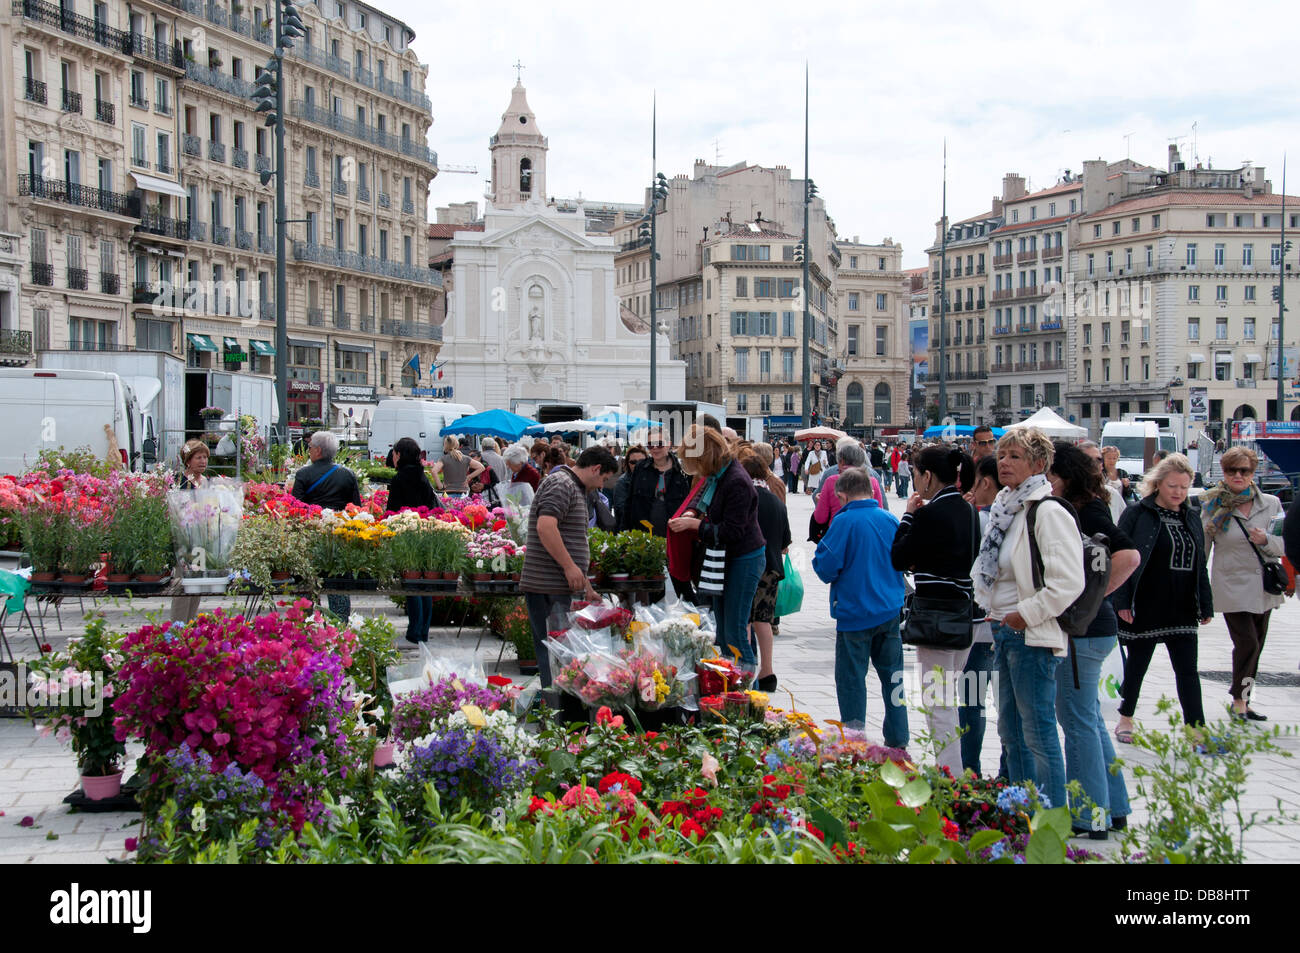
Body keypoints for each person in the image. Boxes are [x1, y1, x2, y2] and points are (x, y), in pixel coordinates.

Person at [971, 427, 1083, 812]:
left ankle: (1051, 820)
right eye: (1002, 455)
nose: (1004, 462)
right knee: (1011, 733)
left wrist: (1025, 615)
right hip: (1002, 628)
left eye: (1015, 456)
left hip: (1030, 635)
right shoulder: (1006, 506)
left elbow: (1069, 581)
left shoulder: (1046, 511)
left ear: (1038, 464)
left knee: (1037, 733)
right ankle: (1021, 814)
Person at [1047, 441, 1140, 837]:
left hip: (1085, 631)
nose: (1047, 482)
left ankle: (1090, 814)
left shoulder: (1086, 508)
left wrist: (1091, 597)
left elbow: (1128, 556)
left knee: (1077, 721)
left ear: (1063, 475)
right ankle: (1114, 806)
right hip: (1093, 630)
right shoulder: (1083, 505)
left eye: (1050, 474)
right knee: (1088, 721)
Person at [1112, 453, 1212, 740]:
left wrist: (1205, 603)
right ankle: (1125, 719)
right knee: (1137, 666)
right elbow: (1120, 557)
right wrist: (1122, 600)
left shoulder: (1192, 518)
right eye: (1172, 486)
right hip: (1145, 603)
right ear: (1158, 484)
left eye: (1183, 487)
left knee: (1188, 671)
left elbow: (1200, 566)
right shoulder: (1137, 514)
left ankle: (1196, 730)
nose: (1178, 493)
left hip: (1181, 604)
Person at [891, 445, 977, 774]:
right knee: (947, 698)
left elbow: (898, 557)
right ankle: (952, 771)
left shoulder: (930, 514)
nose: (913, 479)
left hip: (935, 616)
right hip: (962, 612)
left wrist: (909, 515)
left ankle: (950, 777)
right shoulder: (967, 509)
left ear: (928, 476)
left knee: (938, 704)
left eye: (915, 473)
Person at [812, 467, 908, 747]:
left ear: (841, 496)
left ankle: (855, 741)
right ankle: (899, 739)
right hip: (889, 610)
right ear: (873, 491)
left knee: (852, 681)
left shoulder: (843, 522)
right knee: (894, 679)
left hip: (855, 614)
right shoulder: (889, 519)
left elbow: (825, 568)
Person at [668, 425, 766, 674]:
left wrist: (694, 524)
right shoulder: (719, 476)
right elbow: (705, 505)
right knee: (722, 629)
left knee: (735, 629)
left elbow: (732, 532)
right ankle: (728, 680)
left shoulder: (735, 481)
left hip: (744, 558)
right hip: (728, 558)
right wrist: (694, 513)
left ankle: (744, 690)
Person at [521, 447, 617, 687]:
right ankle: (555, 712)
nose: (601, 486)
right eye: (603, 479)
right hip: (548, 584)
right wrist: (568, 567)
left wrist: (585, 585)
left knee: (562, 653)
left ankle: (559, 708)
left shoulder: (571, 485)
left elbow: (571, 538)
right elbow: (546, 527)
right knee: (554, 654)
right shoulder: (561, 484)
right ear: (595, 469)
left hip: (558, 584)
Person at [1200, 447, 1284, 721]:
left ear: (1253, 473)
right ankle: (1238, 699)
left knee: (1256, 646)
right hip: (1230, 586)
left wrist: (1267, 541)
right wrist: (1197, 590)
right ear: (1223, 473)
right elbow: (1203, 549)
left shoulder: (1271, 504)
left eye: (1244, 471)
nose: (1238, 475)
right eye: (1231, 470)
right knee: (1247, 643)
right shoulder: (1213, 505)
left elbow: (1284, 545)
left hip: (1263, 586)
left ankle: (1244, 701)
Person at [958, 454, 1002, 776]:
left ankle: (970, 767)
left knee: (972, 699)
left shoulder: (982, 518)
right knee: (1008, 707)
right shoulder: (1013, 515)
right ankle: (1007, 773)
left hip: (981, 623)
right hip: (1001, 623)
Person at [292, 430, 363, 620]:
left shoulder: (303, 474)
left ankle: (306, 624)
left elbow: (295, 508)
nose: (308, 451)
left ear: (318, 450)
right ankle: (339, 627)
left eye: (309, 447)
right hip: (338, 536)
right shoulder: (347, 474)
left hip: (311, 536)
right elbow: (356, 508)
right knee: (338, 583)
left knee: (306, 583)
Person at [739, 448, 791, 692]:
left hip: (748, 564)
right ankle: (767, 672)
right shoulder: (775, 501)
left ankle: (746, 669)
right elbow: (785, 542)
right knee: (764, 620)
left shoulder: (746, 499)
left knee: (745, 618)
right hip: (772, 568)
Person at [387, 437, 442, 644]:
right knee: (424, 581)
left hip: (406, 533)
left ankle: (414, 630)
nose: (392, 457)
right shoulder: (422, 476)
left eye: (394, 453)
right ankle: (423, 630)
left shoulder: (399, 478)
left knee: (411, 582)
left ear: (399, 455)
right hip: (425, 531)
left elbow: (392, 510)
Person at [170, 440, 211, 623]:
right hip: (184, 541)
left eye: (205, 457)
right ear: (188, 460)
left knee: (197, 584)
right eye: (198, 457)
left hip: (202, 541)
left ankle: (190, 623)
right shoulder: (180, 482)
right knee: (184, 583)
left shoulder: (206, 482)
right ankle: (178, 625)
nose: (203, 461)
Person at [618, 436, 690, 537]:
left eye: (660, 444)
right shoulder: (640, 468)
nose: (655, 447)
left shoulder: (683, 469)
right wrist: (624, 532)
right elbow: (629, 503)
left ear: (668, 444)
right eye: (651, 444)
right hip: (643, 536)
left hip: (674, 535)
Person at [814, 440, 884, 528]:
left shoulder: (831, 481)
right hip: (866, 531)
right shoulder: (872, 481)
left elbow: (820, 518)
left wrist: (820, 502)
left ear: (842, 461)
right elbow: (880, 510)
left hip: (838, 532)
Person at [1080, 441, 1125, 522]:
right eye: (1087, 460)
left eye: (1098, 459)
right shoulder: (1067, 496)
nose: (1094, 464)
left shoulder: (1112, 493)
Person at [611, 444, 647, 522]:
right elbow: (622, 511)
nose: (637, 465)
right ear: (628, 463)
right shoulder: (622, 482)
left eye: (641, 461)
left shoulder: (653, 479)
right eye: (633, 462)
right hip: (628, 530)